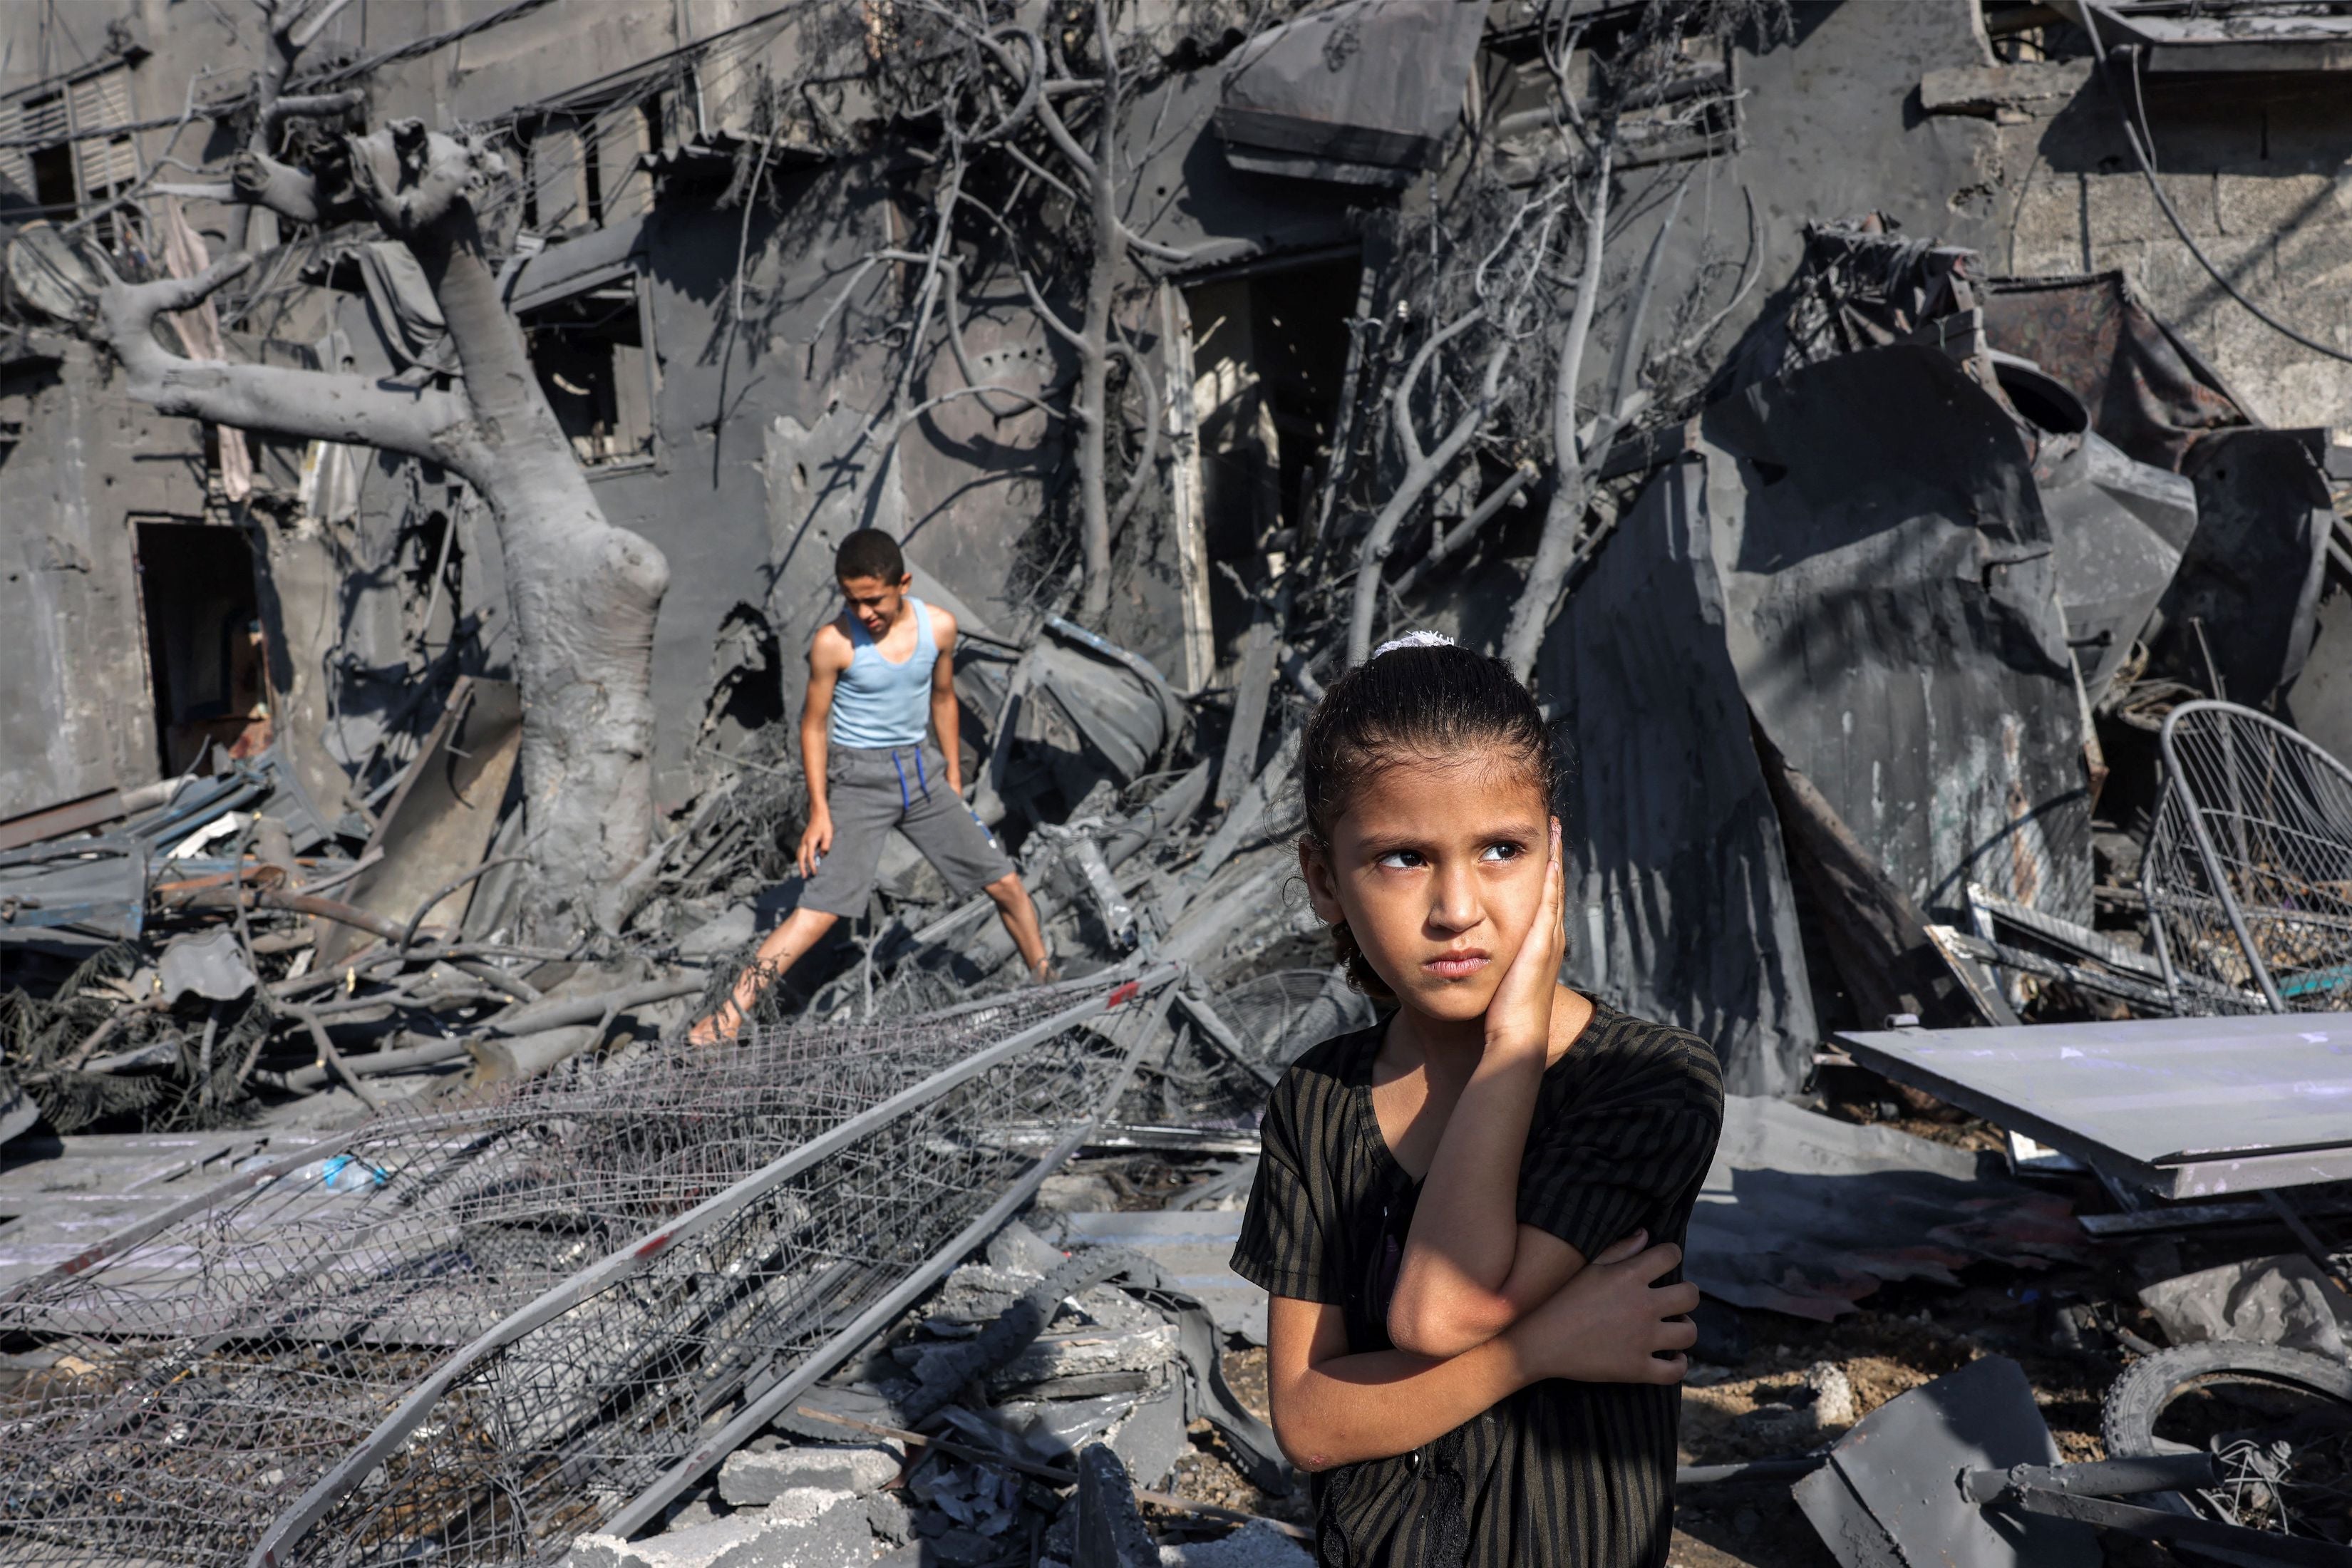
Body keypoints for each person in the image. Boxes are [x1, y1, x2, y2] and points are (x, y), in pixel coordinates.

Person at [1230, 633, 1725, 1567]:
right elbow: (1310, 1421)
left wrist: (1513, 1046)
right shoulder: (1320, 1101)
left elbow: (1438, 1312)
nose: (1457, 906)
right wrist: (1537, 1349)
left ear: (1554, 857)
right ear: (1323, 878)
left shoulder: (1647, 1080)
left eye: (1501, 848)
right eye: (1404, 858)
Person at [690, 530, 1049, 1043]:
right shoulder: (834, 644)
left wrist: (951, 773)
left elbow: (944, 698)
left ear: (901, 583)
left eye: (874, 599)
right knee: (817, 914)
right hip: (859, 781)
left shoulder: (939, 628)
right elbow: (813, 727)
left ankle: (1045, 978)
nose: (864, 612)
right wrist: (820, 810)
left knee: (1007, 884)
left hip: (921, 774)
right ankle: (725, 1019)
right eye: (852, 600)